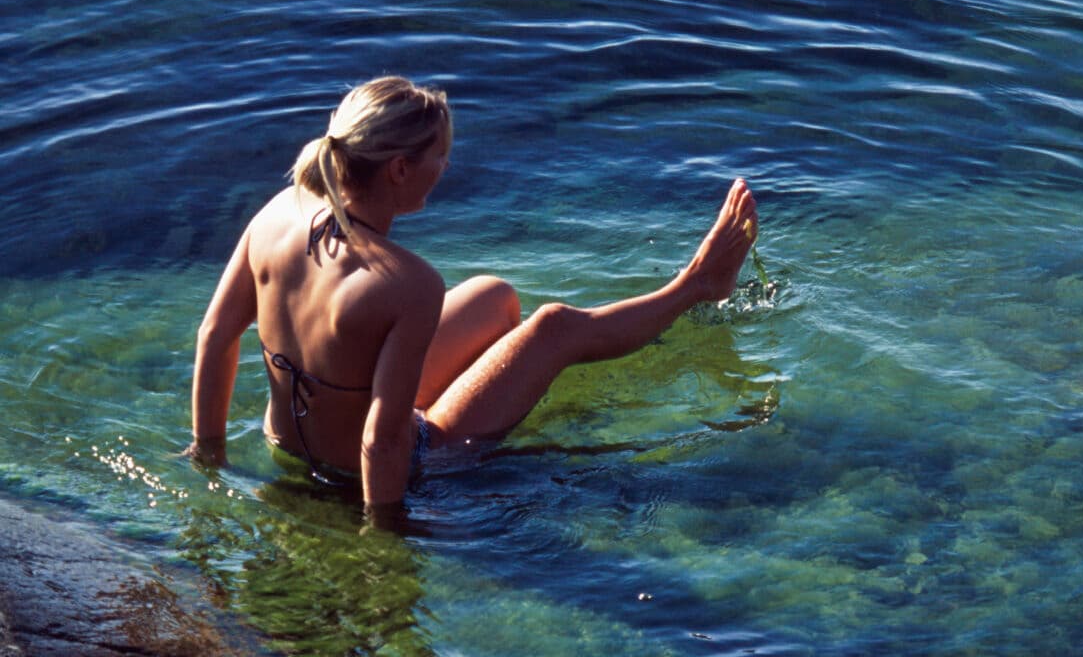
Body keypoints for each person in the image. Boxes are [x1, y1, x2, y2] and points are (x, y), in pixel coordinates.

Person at [186, 75, 758, 520]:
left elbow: (215, 336)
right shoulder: (407, 283)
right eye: (440, 155)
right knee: (552, 326)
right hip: (396, 465)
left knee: (493, 296)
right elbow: (382, 442)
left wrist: (208, 453)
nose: (448, 166)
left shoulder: (278, 212)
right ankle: (697, 285)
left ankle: (509, 382)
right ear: (401, 169)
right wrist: (384, 535)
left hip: (285, 441)